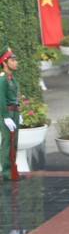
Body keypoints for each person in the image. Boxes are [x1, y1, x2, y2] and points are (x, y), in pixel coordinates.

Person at [1, 48, 18, 181]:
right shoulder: (2, 80)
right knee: (7, 142)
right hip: (7, 113)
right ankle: (7, 173)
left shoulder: (12, 78)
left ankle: (13, 170)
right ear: (5, 63)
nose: (16, 62)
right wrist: (5, 116)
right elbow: (1, 98)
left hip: (15, 112)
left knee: (14, 142)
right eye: (13, 60)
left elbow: (14, 97)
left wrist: (19, 110)